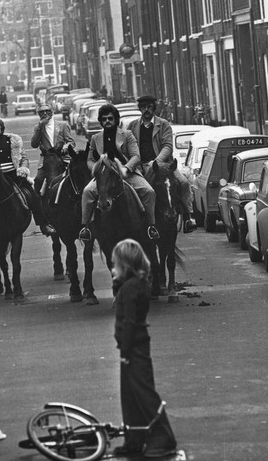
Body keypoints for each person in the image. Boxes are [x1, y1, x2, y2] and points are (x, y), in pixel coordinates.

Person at [112, 239, 178, 458]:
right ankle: (135, 438)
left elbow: (130, 322)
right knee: (130, 394)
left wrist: (125, 351)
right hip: (134, 345)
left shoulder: (131, 288)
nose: (113, 267)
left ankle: (164, 436)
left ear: (126, 264)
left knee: (142, 391)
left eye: (116, 263)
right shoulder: (134, 284)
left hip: (134, 347)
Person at [78, 103, 160, 242]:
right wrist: (96, 169)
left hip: (127, 174)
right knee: (87, 191)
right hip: (104, 175)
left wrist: (126, 169)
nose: (107, 121)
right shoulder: (95, 138)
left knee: (149, 191)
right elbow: (90, 159)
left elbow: (136, 156)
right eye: (104, 119)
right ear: (101, 122)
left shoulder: (127, 135)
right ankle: (86, 228)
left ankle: (151, 226)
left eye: (110, 118)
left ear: (116, 120)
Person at [128, 95, 196, 233]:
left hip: (164, 164)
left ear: (154, 108)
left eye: (149, 107)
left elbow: (168, 146)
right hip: (141, 166)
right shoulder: (132, 126)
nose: (146, 110)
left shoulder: (163, 124)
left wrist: (157, 161)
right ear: (140, 109)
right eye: (143, 107)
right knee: (136, 189)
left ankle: (188, 217)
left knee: (183, 182)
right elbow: (130, 146)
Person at [30, 103, 76, 194]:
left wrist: (65, 148)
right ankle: (37, 203)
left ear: (52, 112)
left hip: (62, 157)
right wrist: (40, 127)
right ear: (38, 114)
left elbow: (71, 142)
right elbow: (34, 144)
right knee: (38, 179)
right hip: (46, 159)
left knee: (75, 176)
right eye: (41, 112)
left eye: (47, 111)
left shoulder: (62, 125)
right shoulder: (37, 127)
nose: (45, 114)